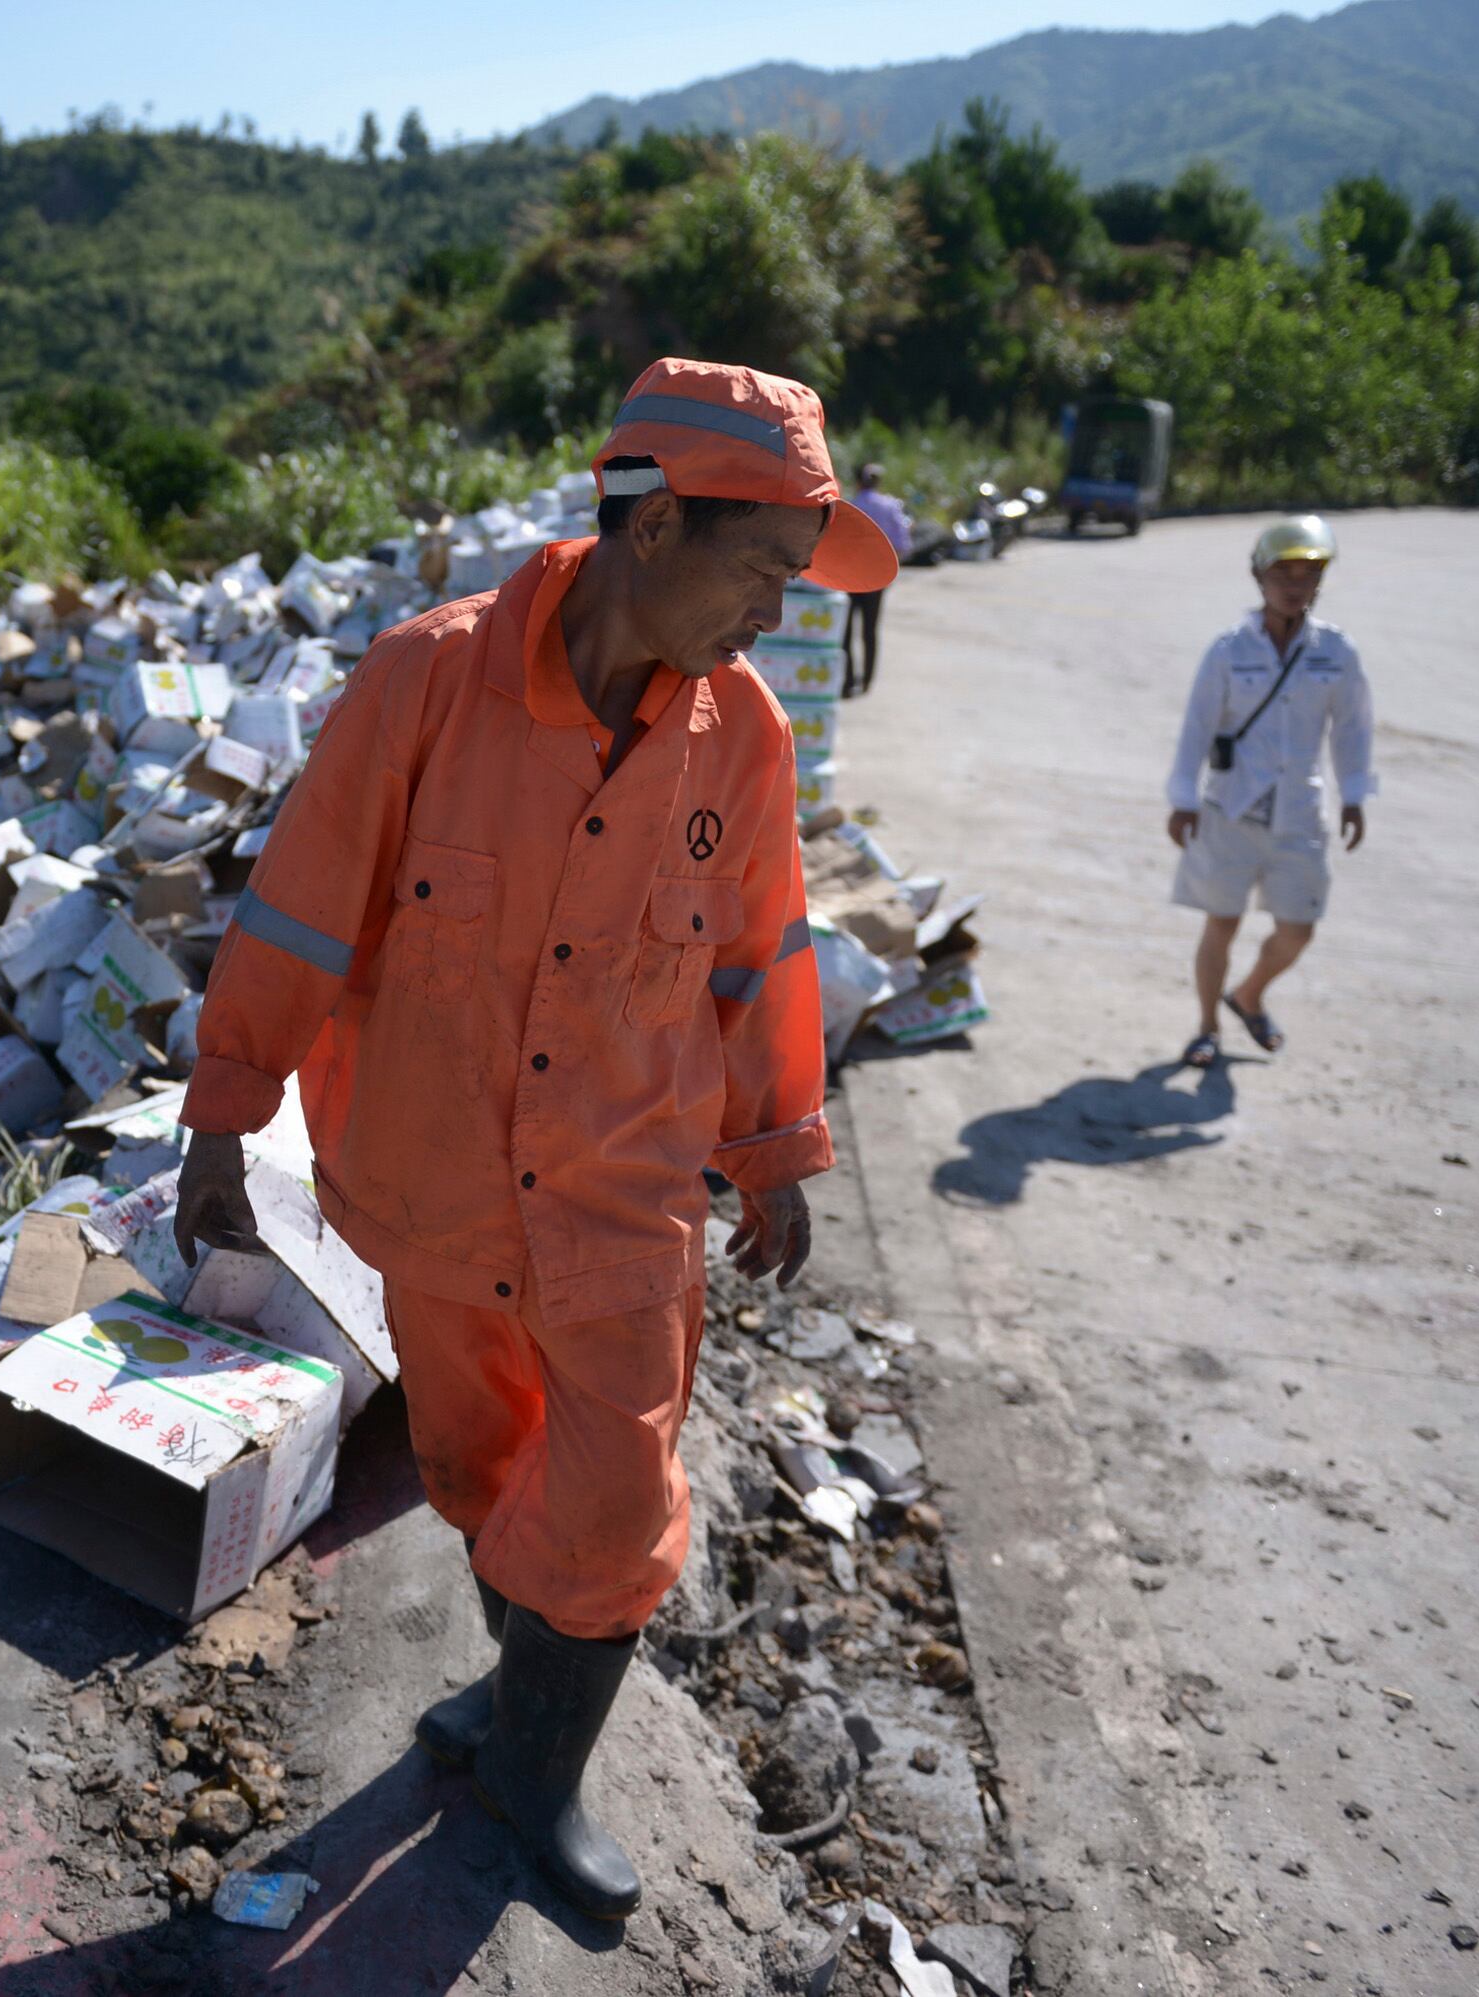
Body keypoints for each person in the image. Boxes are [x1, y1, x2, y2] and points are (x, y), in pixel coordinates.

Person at [171, 359, 890, 1920]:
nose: (774, 613)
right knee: (476, 1465)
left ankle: (536, 1780)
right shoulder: (429, 682)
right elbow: (301, 906)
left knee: (617, 1499)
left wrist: (772, 1147)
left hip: (623, 1199)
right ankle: (511, 1709)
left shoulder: (742, 736)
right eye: (761, 570)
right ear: (653, 527)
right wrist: (226, 1108)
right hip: (435, 1192)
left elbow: (762, 953)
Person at [1164, 514, 1374, 1068]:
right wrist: (1183, 798)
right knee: (1222, 923)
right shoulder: (1228, 650)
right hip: (1230, 808)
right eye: (1283, 573)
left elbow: (1352, 727)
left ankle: (1249, 994)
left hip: (1300, 813)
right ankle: (1208, 1026)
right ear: (1259, 577)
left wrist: (1354, 794)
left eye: (1307, 573)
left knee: (1297, 929)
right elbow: (1196, 727)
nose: (1295, 584)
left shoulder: (1337, 652)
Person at [840, 462, 913, 694]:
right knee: (870, 631)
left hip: (849, 577)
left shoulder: (851, 505)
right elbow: (903, 544)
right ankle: (868, 680)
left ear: (859, 481)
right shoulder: (890, 506)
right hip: (878, 577)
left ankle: (848, 679)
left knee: (846, 630)